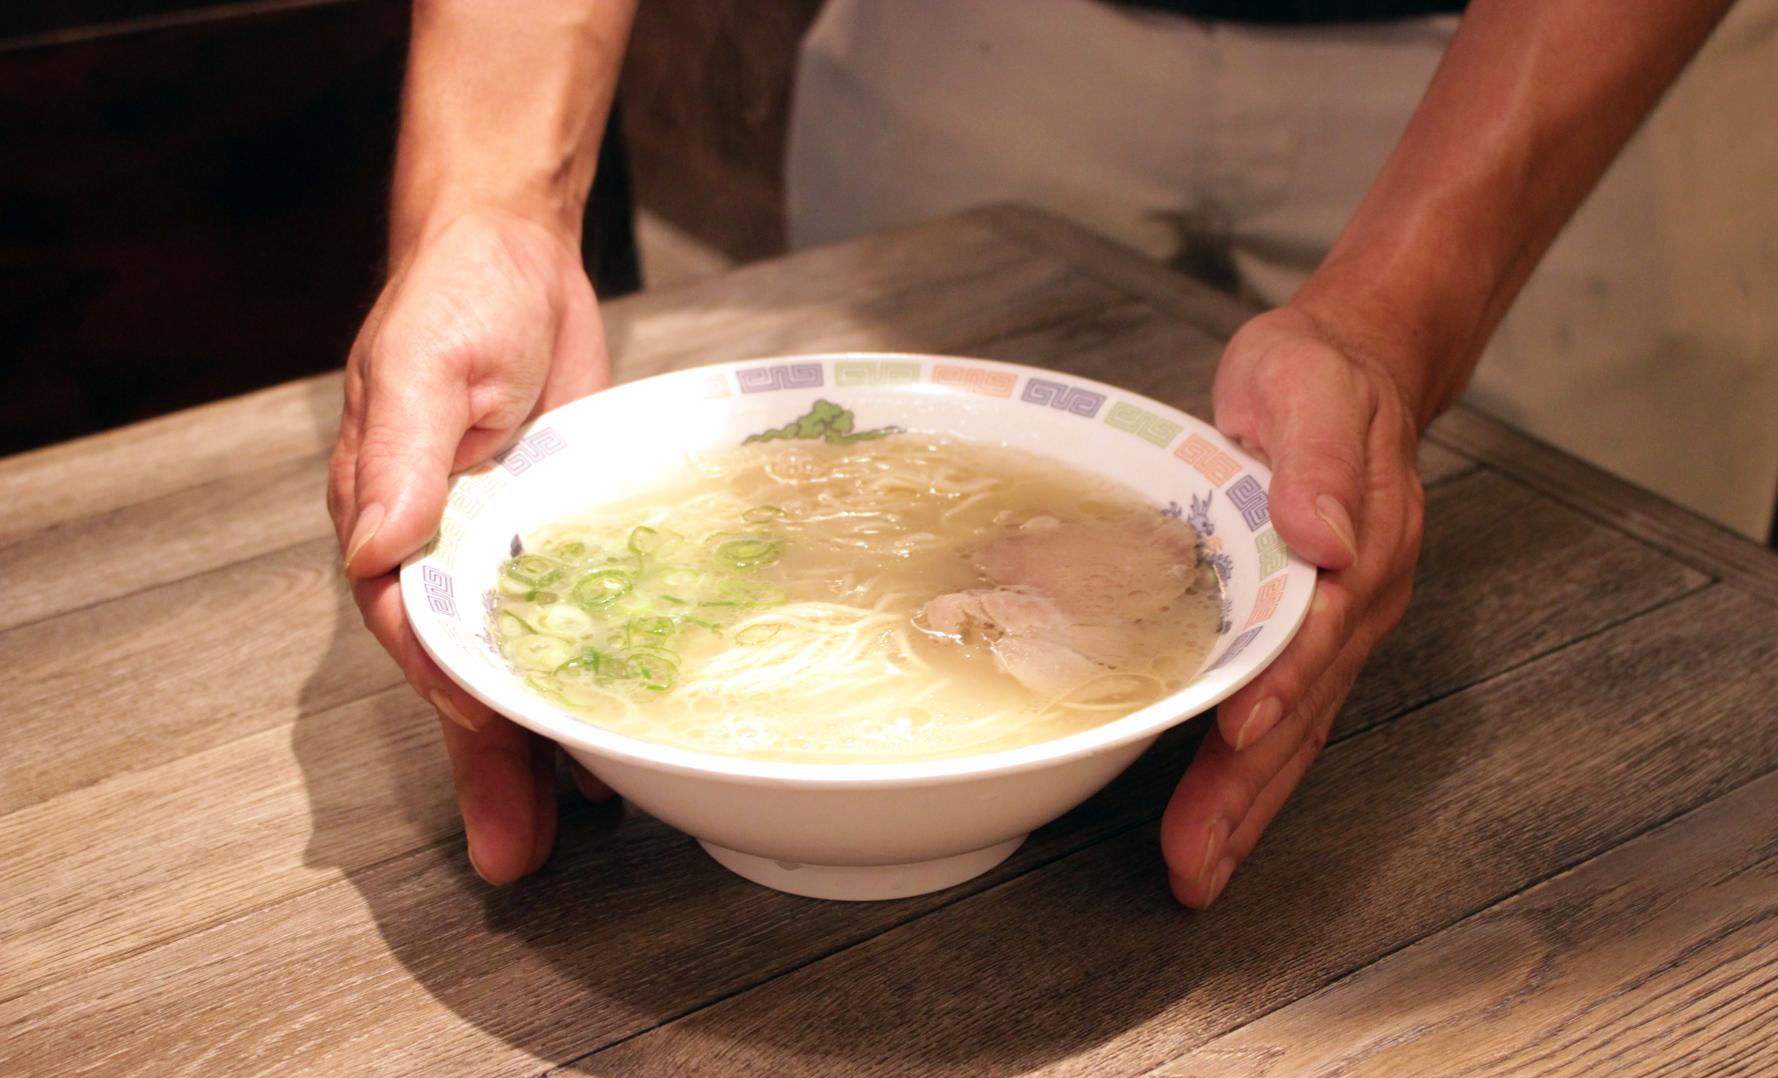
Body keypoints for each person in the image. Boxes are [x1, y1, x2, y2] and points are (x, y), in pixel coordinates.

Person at [329, 0, 1739, 906]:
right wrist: (494, 205)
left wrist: (1392, 324)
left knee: (1615, 736)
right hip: (979, 35)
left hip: (1551, 56)